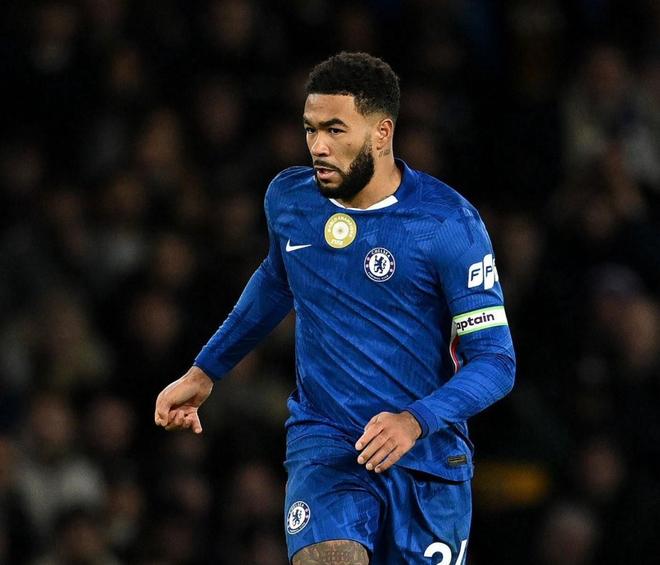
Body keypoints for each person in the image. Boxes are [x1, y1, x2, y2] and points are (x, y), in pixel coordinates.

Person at [154, 52, 515, 564]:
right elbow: (277, 280)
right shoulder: (290, 200)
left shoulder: (448, 224)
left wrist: (415, 420)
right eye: (310, 129)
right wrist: (206, 369)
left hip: (428, 458)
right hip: (326, 443)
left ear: (382, 133)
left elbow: (496, 362)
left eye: (335, 130)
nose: (318, 147)